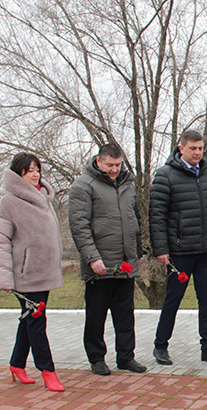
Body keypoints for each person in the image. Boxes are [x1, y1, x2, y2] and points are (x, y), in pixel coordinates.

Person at [149, 130, 207, 365]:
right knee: (172, 300)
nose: (197, 152)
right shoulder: (165, 175)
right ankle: (160, 346)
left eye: (200, 148)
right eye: (192, 148)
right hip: (179, 252)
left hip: (205, 251)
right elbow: (156, 216)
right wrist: (161, 249)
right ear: (181, 148)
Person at [68, 144, 147, 375]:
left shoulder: (128, 186)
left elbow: (136, 222)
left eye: (118, 164)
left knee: (125, 315)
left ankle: (126, 357)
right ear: (98, 161)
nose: (114, 169)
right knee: (96, 315)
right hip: (100, 265)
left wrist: (137, 254)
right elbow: (79, 226)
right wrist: (92, 258)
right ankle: (96, 358)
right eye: (110, 165)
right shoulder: (83, 186)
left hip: (125, 263)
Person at [0, 153, 65, 391]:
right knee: (36, 321)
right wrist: (5, 278)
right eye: (29, 170)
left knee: (28, 319)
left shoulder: (44, 198)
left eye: (37, 169)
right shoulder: (9, 202)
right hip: (25, 274)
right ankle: (48, 370)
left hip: (44, 271)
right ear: (18, 175)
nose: (35, 174)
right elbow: (0, 241)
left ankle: (17, 364)